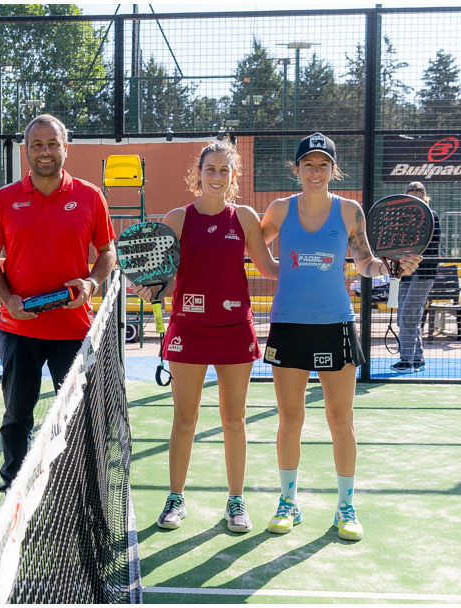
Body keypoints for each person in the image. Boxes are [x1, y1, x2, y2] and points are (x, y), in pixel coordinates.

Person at [259, 133, 422, 541]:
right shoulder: (278, 210)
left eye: (323, 165)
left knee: (341, 419)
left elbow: (365, 262)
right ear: (296, 169)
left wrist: (389, 268)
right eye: (308, 164)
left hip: (335, 324)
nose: (315, 172)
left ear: (334, 170)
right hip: (289, 325)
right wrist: (280, 270)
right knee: (290, 419)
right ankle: (288, 503)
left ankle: (346, 507)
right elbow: (256, 252)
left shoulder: (350, 211)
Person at [133, 139, 279, 533]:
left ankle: (236, 501)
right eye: (210, 169)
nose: (216, 176)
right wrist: (150, 289)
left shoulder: (244, 217)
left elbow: (269, 267)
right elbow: (161, 279)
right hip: (188, 330)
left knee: (234, 419)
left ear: (234, 175)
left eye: (223, 170)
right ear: (198, 174)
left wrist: (313, 265)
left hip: (234, 329)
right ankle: (175, 498)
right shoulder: (178, 218)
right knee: (185, 419)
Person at [0, 114, 117, 492]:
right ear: (26, 150)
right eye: (37, 144)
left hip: (73, 330)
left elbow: (107, 252)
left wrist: (91, 283)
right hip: (18, 328)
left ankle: (79, 487)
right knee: (17, 415)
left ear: (65, 148)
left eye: (53, 144)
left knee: (76, 415)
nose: (45, 151)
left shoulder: (90, 196)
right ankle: (14, 488)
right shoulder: (4, 199)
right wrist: (7, 298)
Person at [391, 181, 441, 373]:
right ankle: (417, 359)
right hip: (404, 273)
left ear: (424, 196)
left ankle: (407, 361)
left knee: (409, 315)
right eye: (411, 196)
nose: (414, 199)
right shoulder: (403, 219)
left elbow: (424, 244)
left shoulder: (431, 216)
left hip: (423, 273)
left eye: (418, 195)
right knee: (404, 315)